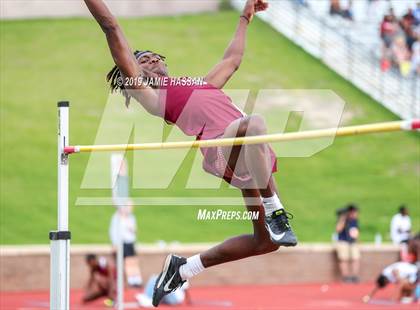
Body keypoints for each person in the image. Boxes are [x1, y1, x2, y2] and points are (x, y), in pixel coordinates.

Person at [83, 0, 297, 307]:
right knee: (255, 124)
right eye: (144, 60)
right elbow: (111, 26)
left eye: (155, 55)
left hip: (250, 154)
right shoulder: (151, 94)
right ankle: (276, 210)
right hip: (223, 151)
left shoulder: (200, 84)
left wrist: (244, 16)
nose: (153, 58)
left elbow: (233, 60)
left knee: (265, 243)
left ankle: (183, 268)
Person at [109, 202, 143, 287]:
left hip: (130, 242)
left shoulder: (131, 217)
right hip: (122, 243)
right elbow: (113, 231)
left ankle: (136, 280)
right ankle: (131, 280)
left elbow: (134, 231)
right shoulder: (117, 217)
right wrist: (114, 243)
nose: (131, 208)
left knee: (133, 261)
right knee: (127, 261)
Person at [335, 204, 360, 283]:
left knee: (356, 259)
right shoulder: (343, 220)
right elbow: (338, 229)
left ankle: (354, 277)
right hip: (343, 242)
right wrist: (342, 219)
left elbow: (355, 231)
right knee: (344, 259)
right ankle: (345, 277)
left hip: (352, 242)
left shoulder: (355, 220)